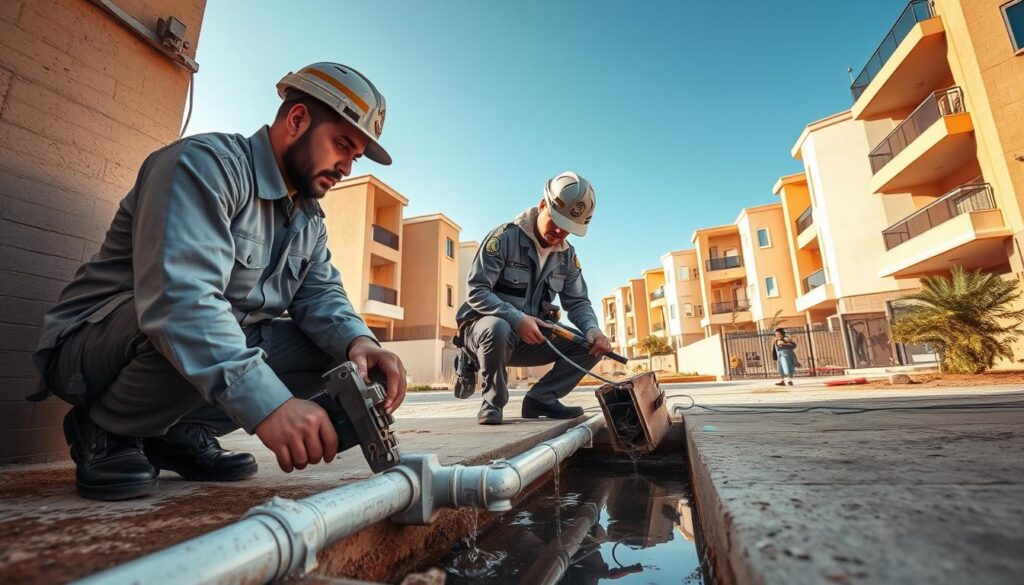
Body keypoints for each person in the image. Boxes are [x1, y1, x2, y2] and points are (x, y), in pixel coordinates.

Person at [29, 62, 407, 501]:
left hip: (179, 350)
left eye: (355, 157)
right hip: (93, 350)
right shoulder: (202, 167)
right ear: (297, 119)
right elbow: (179, 301)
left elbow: (321, 294)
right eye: (341, 145)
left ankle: (173, 431)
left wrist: (360, 342)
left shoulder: (308, 220)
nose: (346, 167)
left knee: (341, 358)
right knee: (193, 320)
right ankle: (105, 426)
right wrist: (272, 406)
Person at [453, 172, 613, 425]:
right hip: (486, 331)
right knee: (498, 326)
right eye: (556, 220)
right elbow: (477, 291)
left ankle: (541, 399)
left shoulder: (567, 256)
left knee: (589, 345)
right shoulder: (504, 238)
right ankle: (492, 401)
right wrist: (517, 319)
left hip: (531, 335)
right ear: (542, 206)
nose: (560, 231)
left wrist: (593, 329)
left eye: (568, 228)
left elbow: (578, 302)